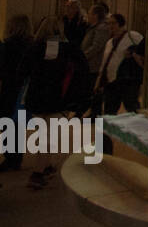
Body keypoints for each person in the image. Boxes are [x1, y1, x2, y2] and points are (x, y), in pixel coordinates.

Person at [21, 16, 91, 189]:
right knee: (50, 135)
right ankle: (38, 172)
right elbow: (83, 71)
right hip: (59, 97)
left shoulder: (34, 48)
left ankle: (46, 167)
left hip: (36, 97)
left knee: (44, 133)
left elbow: (22, 72)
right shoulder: (69, 49)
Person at [0, 14, 35, 172]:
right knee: (18, 124)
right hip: (26, 89)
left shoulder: (8, 45)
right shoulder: (32, 44)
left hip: (10, 88)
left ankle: (10, 157)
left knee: (7, 122)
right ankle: (16, 157)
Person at [94, 14, 144, 115]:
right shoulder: (109, 42)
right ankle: (106, 130)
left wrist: (132, 51)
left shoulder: (133, 36)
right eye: (109, 24)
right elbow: (105, 63)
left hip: (128, 80)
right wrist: (99, 80)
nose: (111, 26)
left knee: (131, 107)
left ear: (121, 23)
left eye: (113, 23)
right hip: (112, 81)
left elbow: (144, 50)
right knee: (109, 110)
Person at [81, 3, 111, 68]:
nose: (87, 16)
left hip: (94, 64)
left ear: (95, 16)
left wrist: (82, 56)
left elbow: (96, 47)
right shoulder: (93, 27)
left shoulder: (102, 28)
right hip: (88, 63)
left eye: (89, 13)